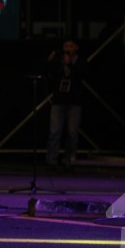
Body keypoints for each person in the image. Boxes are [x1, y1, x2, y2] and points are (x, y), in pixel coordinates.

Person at [45, 39, 85, 171]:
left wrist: (70, 65)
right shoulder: (58, 61)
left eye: (71, 46)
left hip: (74, 102)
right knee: (54, 132)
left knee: (72, 133)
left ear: (76, 48)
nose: (68, 48)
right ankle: (52, 161)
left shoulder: (80, 61)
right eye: (66, 46)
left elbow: (81, 74)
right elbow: (51, 75)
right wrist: (53, 62)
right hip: (59, 101)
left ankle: (69, 161)